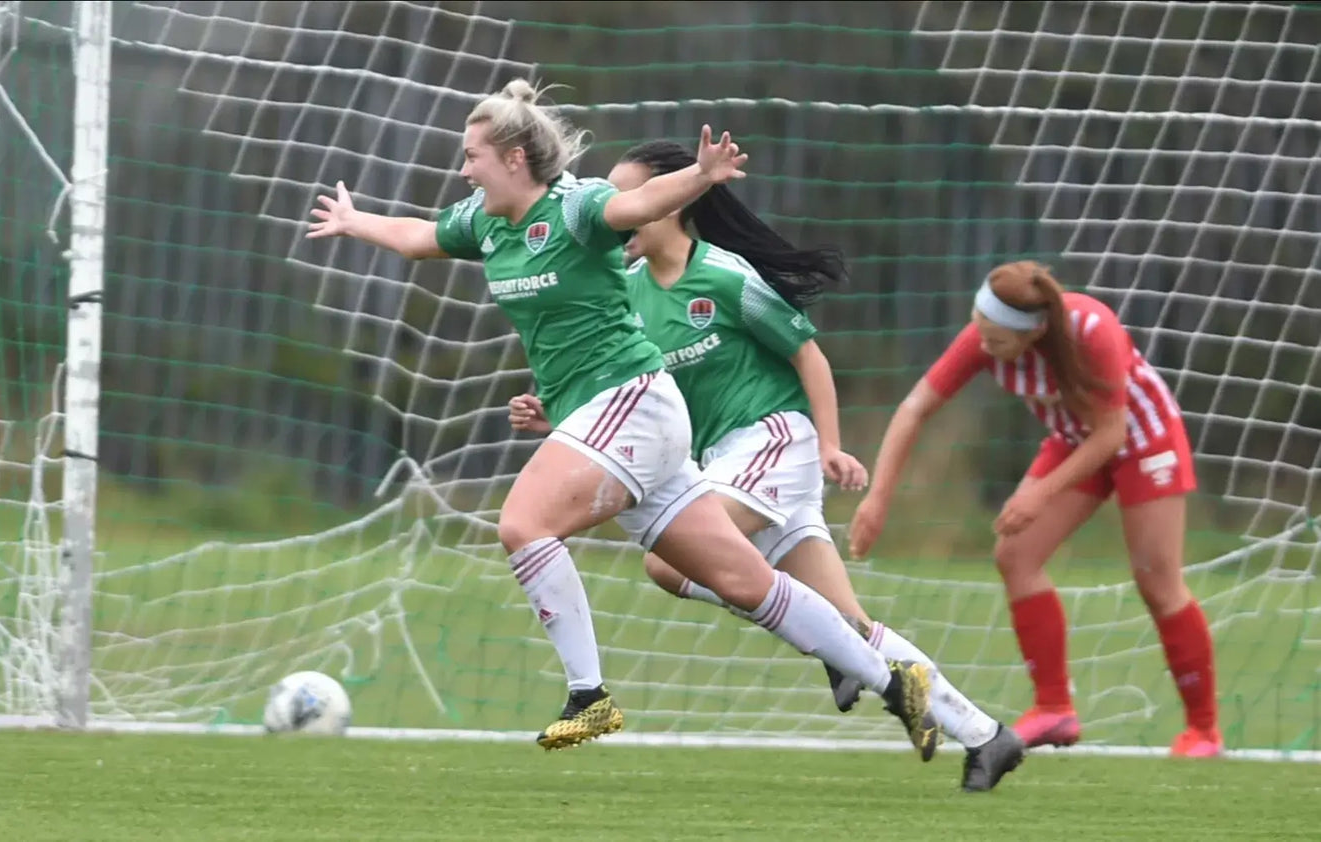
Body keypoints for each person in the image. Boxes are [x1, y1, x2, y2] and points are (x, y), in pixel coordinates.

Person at [305, 79, 938, 757]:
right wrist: (355, 221)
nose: (463, 168)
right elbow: (418, 237)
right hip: (615, 418)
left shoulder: (576, 207)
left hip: (632, 400)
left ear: (515, 157)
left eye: (472, 155)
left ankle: (589, 695)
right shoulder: (485, 221)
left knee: (523, 524)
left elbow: (642, 202)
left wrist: (700, 175)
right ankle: (889, 676)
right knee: (742, 582)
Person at [508, 139, 1023, 792]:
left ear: (672, 203)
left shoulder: (724, 276)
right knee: (850, 624)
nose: (618, 210)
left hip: (776, 441)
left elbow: (809, 356)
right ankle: (986, 735)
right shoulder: (627, 294)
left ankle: (831, 647)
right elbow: (633, 401)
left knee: (668, 562)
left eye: (631, 197)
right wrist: (557, 423)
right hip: (727, 462)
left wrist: (832, 445)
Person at [847, 260, 1222, 758]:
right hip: (1074, 442)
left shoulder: (1093, 330)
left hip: (1145, 441)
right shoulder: (984, 335)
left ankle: (1203, 731)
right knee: (1016, 554)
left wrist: (1038, 494)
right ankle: (1054, 709)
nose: (983, 346)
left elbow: (1112, 432)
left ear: (1037, 331)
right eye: (979, 331)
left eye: (997, 340)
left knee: (1157, 579)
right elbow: (916, 408)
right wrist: (878, 499)